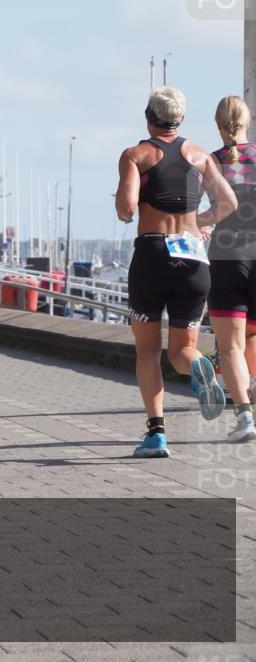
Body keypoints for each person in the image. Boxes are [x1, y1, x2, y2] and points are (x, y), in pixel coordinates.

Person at [115, 86, 237, 458]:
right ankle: (199, 364)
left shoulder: (135, 155)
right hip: (193, 257)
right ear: (180, 119)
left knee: (148, 350)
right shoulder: (201, 156)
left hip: (152, 255)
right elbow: (227, 203)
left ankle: (156, 434)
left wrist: (124, 206)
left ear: (148, 117)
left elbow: (127, 208)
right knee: (182, 349)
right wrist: (196, 223)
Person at [205, 95, 256, 443]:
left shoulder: (211, 162)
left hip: (226, 258)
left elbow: (203, 210)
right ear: (247, 121)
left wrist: (196, 223)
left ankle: (245, 417)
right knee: (251, 336)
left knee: (231, 346)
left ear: (218, 125)